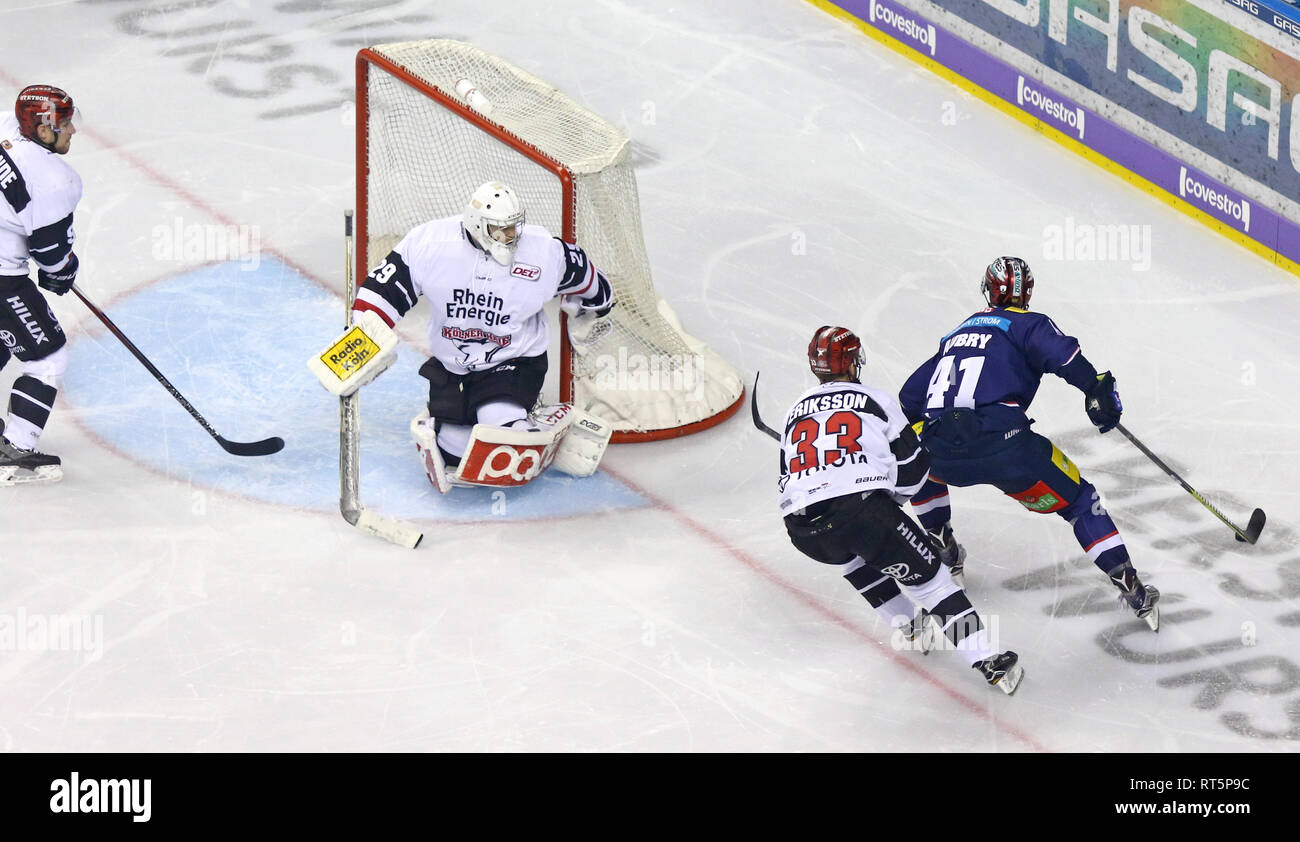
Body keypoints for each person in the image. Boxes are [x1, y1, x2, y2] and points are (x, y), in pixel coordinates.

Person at [899, 257, 1160, 631]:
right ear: (1028, 292)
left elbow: (909, 398)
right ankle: (1131, 587)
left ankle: (943, 544)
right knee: (1080, 503)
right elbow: (1063, 357)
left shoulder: (954, 336)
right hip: (1008, 450)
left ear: (988, 290)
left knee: (924, 466)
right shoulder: (1027, 323)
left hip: (943, 451)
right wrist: (1094, 388)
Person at [779, 325, 1024, 694]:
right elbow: (914, 465)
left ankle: (909, 627)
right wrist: (884, 508)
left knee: (853, 556)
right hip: (862, 514)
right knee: (934, 584)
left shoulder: (793, 411)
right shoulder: (873, 400)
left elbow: (787, 478)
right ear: (851, 362)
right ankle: (988, 660)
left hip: (802, 528)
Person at [352, 180, 615, 487]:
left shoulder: (541, 251)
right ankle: (517, 423)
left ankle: (529, 422)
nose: (510, 237)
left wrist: (600, 301)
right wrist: (362, 342)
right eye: (499, 230)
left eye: (513, 229)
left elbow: (580, 270)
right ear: (477, 224)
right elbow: (382, 290)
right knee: (453, 451)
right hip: (453, 366)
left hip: (515, 361)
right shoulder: (430, 244)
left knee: (503, 435)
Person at [0, 85, 81, 485]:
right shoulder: (55, 179)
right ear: (44, 129)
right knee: (47, 357)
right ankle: (13, 451)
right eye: (65, 124)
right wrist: (63, 271)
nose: (73, 131)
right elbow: (50, 255)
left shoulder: (4, 127)